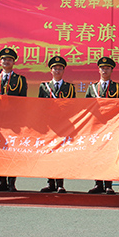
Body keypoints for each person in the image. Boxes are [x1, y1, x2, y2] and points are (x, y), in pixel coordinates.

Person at [0, 48, 28, 192]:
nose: (7, 62)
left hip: (14, 121)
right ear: (0, 62)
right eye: (4, 59)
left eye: (10, 60)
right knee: (0, 151)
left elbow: (23, 100)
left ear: (13, 62)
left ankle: (12, 182)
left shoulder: (20, 79)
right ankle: (1, 182)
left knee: (13, 151)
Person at [86, 57, 119, 194]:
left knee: (110, 154)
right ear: (99, 70)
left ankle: (109, 184)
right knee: (97, 154)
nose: (105, 70)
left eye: (107, 68)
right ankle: (98, 184)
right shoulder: (92, 88)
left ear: (111, 70)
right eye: (102, 68)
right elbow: (87, 107)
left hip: (112, 126)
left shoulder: (117, 88)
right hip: (96, 127)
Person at [38, 56, 76, 193]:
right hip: (49, 126)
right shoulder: (44, 87)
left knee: (61, 154)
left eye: (60, 68)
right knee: (49, 154)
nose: (57, 71)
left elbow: (72, 106)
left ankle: (60, 184)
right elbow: (40, 106)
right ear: (51, 70)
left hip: (64, 125)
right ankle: (50, 183)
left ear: (63, 71)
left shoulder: (69, 87)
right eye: (55, 68)